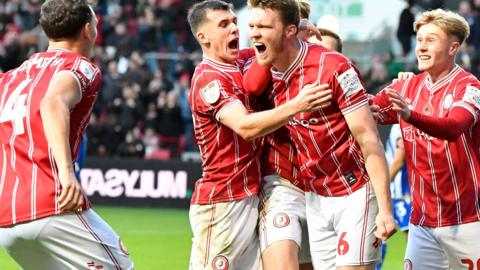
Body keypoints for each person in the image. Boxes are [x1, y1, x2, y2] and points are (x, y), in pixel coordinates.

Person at [248, 0, 397, 269]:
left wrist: (386, 210)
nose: (254, 33)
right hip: (316, 196)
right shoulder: (268, 73)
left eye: (264, 26)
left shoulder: (334, 66)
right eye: (252, 26)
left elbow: (368, 138)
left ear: (289, 31)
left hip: (355, 190)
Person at [186, 1, 331, 269]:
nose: (233, 29)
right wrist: (297, 105)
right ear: (203, 37)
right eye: (223, 25)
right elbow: (246, 127)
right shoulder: (209, 79)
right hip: (223, 204)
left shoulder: (239, 60)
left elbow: (266, 47)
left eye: (233, 22)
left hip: (250, 196)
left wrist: (295, 28)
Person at [0, 1, 134, 269]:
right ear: (88, 30)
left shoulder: (11, 78)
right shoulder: (81, 67)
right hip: (53, 205)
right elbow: (53, 102)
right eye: (96, 22)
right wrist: (67, 173)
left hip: (8, 220)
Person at [371, 9, 480, 269]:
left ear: (453, 47)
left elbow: (454, 127)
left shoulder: (470, 86)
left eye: (430, 40)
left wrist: (410, 114)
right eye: (419, 40)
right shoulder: (406, 86)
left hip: (468, 219)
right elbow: (367, 111)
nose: (421, 47)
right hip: (422, 223)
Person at [376, 124, 411, 270]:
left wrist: (382, 186)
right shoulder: (398, 125)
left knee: (413, 239)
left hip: (401, 193)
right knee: (380, 235)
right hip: (395, 192)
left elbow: (398, 161)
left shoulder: (400, 126)